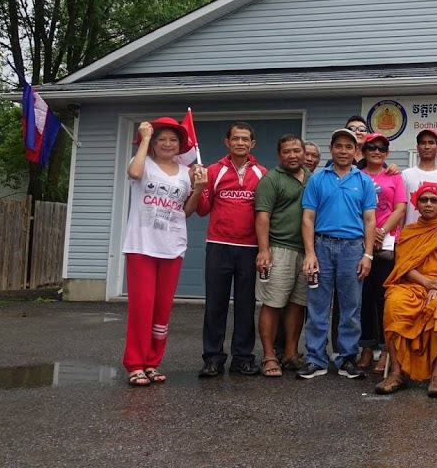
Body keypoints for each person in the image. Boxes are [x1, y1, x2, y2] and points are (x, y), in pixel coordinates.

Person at [122, 117, 205, 386]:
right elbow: (133, 174)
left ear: (180, 145)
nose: (168, 144)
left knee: (161, 309)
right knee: (142, 306)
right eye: (162, 139)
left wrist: (199, 189)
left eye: (173, 140)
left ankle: (152, 362)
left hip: (172, 245)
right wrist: (144, 138)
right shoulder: (143, 162)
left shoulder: (185, 172)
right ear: (154, 143)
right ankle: (135, 363)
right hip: (141, 245)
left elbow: (187, 211)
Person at [376, 184, 437, 397]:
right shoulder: (409, 231)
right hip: (413, 284)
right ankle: (395, 372)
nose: (428, 204)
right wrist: (426, 282)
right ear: (417, 205)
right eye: (424, 200)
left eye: (433, 200)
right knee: (393, 304)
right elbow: (403, 266)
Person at [297, 128, 377, 380]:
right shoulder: (318, 180)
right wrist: (310, 254)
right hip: (321, 245)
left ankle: (346, 358)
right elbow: (308, 218)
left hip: (352, 248)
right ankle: (315, 358)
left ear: (356, 151)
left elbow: (370, 220)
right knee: (317, 305)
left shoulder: (363, 181)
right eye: (339, 146)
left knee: (351, 307)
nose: (343, 151)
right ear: (331, 149)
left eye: (349, 147)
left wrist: (368, 255)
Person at [196, 122, 266, 378]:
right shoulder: (213, 171)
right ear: (227, 142)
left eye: (245, 139)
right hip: (218, 246)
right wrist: (199, 185)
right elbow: (203, 209)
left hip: (249, 248)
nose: (240, 143)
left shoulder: (262, 173)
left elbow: (265, 212)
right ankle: (213, 358)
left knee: (246, 306)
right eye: (235, 138)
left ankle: (242, 358)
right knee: (215, 305)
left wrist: (264, 249)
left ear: (252, 144)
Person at [253, 134, 312, 378]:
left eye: (296, 150)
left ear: (303, 152)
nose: (292, 155)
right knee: (273, 303)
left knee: (298, 304)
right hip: (279, 249)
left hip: (306, 251)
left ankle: (290, 353)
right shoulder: (271, 180)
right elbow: (262, 216)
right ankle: (268, 356)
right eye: (286, 151)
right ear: (280, 155)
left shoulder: (312, 178)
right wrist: (264, 250)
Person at [357, 133, 407, 374]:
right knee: (363, 297)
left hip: (386, 242)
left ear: (387, 153)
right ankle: (366, 346)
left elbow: (400, 208)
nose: (377, 151)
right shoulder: (357, 175)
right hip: (358, 240)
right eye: (372, 148)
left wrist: (381, 231)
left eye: (382, 148)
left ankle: (386, 349)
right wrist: (368, 233)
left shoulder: (394, 176)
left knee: (383, 297)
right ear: (364, 151)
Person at [401, 129, 437, 225]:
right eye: (423, 143)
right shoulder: (406, 175)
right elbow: (401, 209)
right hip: (411, 233)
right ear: (417, 148)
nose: (427, 147)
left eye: (431, 143)